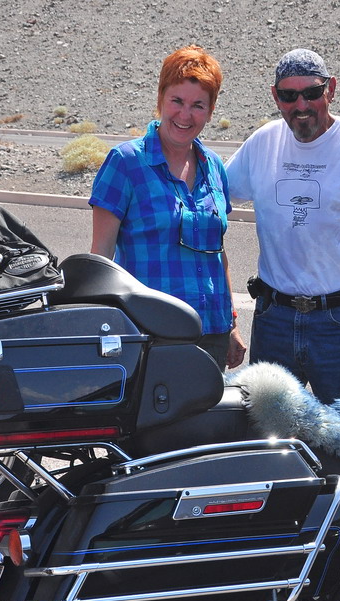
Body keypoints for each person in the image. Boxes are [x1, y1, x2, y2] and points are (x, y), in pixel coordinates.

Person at [225, 48, 340, 404]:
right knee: (269, 431)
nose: (301, 105)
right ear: (275, 96)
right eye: (289, 95)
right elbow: (210, 200)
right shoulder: (263, 143)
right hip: (274, 321)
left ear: (331, 89)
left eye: (312, 92)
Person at [89, 45, 245, 371]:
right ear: (161, 99)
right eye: (177, 101)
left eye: (198, 105)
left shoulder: (213, 166)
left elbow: (218, 253)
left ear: (211, 111)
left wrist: (231, 324)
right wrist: (100, 334)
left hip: (211, 332)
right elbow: (100, 258)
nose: (185, 115)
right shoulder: (126, 163)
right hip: (150, 335)